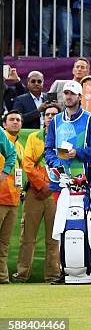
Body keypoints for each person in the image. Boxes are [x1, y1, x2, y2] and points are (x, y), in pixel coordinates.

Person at [12, 104, 61, 283]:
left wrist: (50, 186)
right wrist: (42, 186)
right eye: (47, 114)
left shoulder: (64, 138)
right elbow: (28, 164)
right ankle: (22, 275)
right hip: (35, 192)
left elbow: (66, 165)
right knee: (27, 237)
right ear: (43, 118)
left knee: (53, 237)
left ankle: (53, 275)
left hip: (55, 193)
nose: (50, 117)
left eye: (54, 114)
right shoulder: (34, 137)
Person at [44, 80, 91, 204]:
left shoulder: (90, 119)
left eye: (72, 93)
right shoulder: (55, 120)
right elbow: (48, 149)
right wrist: (56, 163)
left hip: (83, 180)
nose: (68, 96)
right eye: (66, 93)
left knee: (84, 221)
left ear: (80, 97)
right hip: (60, 181)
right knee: (61, 221)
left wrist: (77, 153)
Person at [0, 112, 19, 284]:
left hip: (9, 198)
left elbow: (11, 154)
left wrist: (4, 172)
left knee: (4, 243)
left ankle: (3, 278)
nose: (15, 123)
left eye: (18, 120)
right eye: (11, 120)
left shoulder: (1, 134)